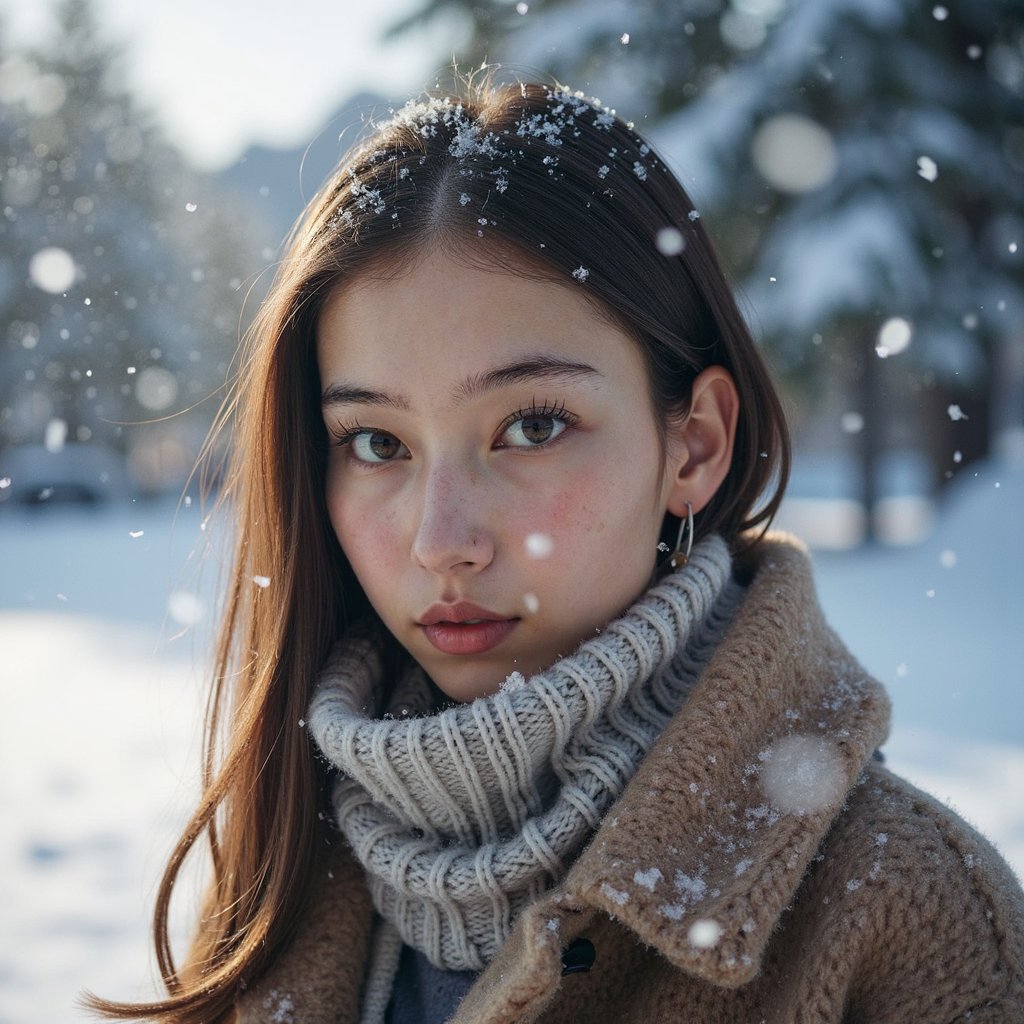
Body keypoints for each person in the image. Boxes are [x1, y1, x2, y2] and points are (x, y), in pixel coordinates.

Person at [87, 81, 1024, 1024]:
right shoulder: (275, 880)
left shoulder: (911, 913)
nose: (441, 540)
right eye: (376, 443)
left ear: (693, 444)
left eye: (533, 425)